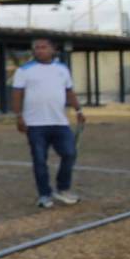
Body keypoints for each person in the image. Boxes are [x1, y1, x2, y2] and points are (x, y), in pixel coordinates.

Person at [11, 37, 85, 207]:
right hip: (35, 124)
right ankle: (44, 195)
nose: (39, 50)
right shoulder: (24, 70)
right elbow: (16, 94)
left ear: (53, 50)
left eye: (43, 47)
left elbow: (69, 92)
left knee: (69, 153)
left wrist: (78, 110)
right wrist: (18, 116)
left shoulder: (62, 69)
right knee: (39, 160)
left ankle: (63, 188)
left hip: (60, 122)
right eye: (36, 47)